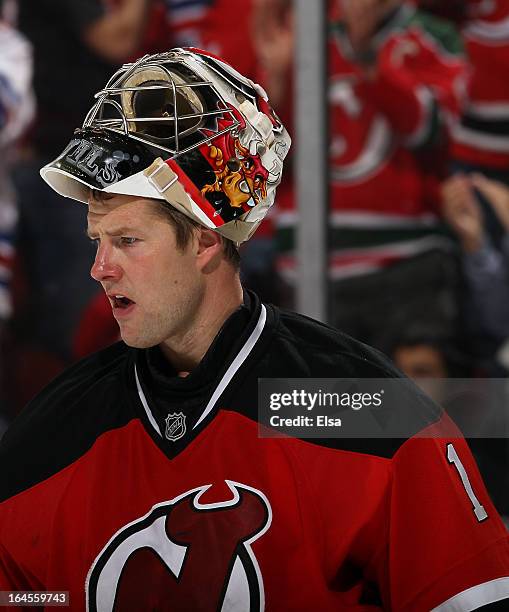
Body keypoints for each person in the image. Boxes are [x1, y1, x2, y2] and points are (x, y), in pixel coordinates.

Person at [1, 48, 509, 611]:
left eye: (127, 241)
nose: (100, 268)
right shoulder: (48, 437)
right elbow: (28, 596)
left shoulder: (359, 412)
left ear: (206, 240)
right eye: (98, 240)